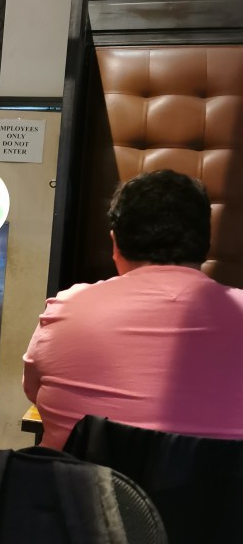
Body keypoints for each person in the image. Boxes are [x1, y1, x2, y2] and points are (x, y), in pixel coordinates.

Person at [23, 169, 243, 449]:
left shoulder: (66, 311)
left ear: (115, 243)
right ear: (206, 244)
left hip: (79, 477)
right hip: (213, 479)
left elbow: (34, 392)